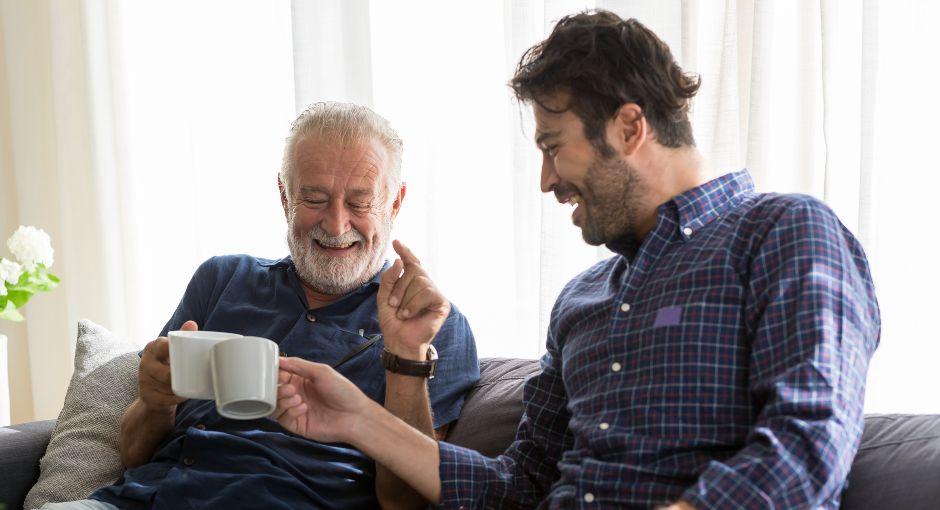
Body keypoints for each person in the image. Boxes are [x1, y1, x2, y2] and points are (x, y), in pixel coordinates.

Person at [271, 11, 881, 510]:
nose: (545, 180)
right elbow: (518, 488)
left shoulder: (784, 234)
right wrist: (357, 419)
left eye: (553, 146)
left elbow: (807, 448)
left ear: (628, 126)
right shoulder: (581, 301)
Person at [41, 102, 480, 510]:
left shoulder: (429, 325)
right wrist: (156, 403)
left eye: (360, 202)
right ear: (285, 197)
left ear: (395, 202)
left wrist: (405, 358)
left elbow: (406, 502)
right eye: (314, 198)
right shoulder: (223, 278)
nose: (337, 223)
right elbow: (135, 454)